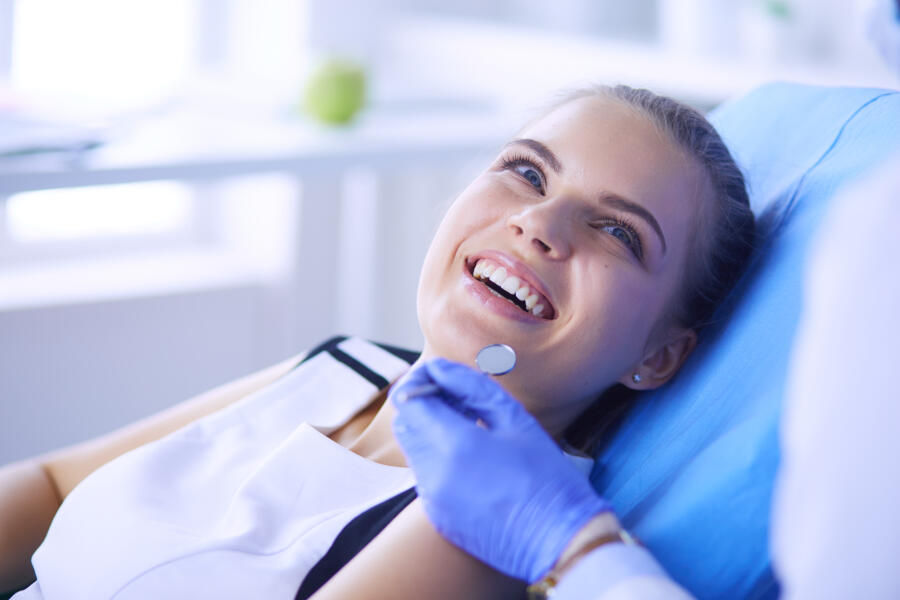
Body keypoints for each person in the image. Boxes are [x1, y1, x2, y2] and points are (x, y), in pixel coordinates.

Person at [0, 83, 754, 600]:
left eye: (617, 230)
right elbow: (53, 486)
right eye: (527, 172)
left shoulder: (487, 520)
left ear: (658, 355)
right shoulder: (341, 365)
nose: (539, 225)